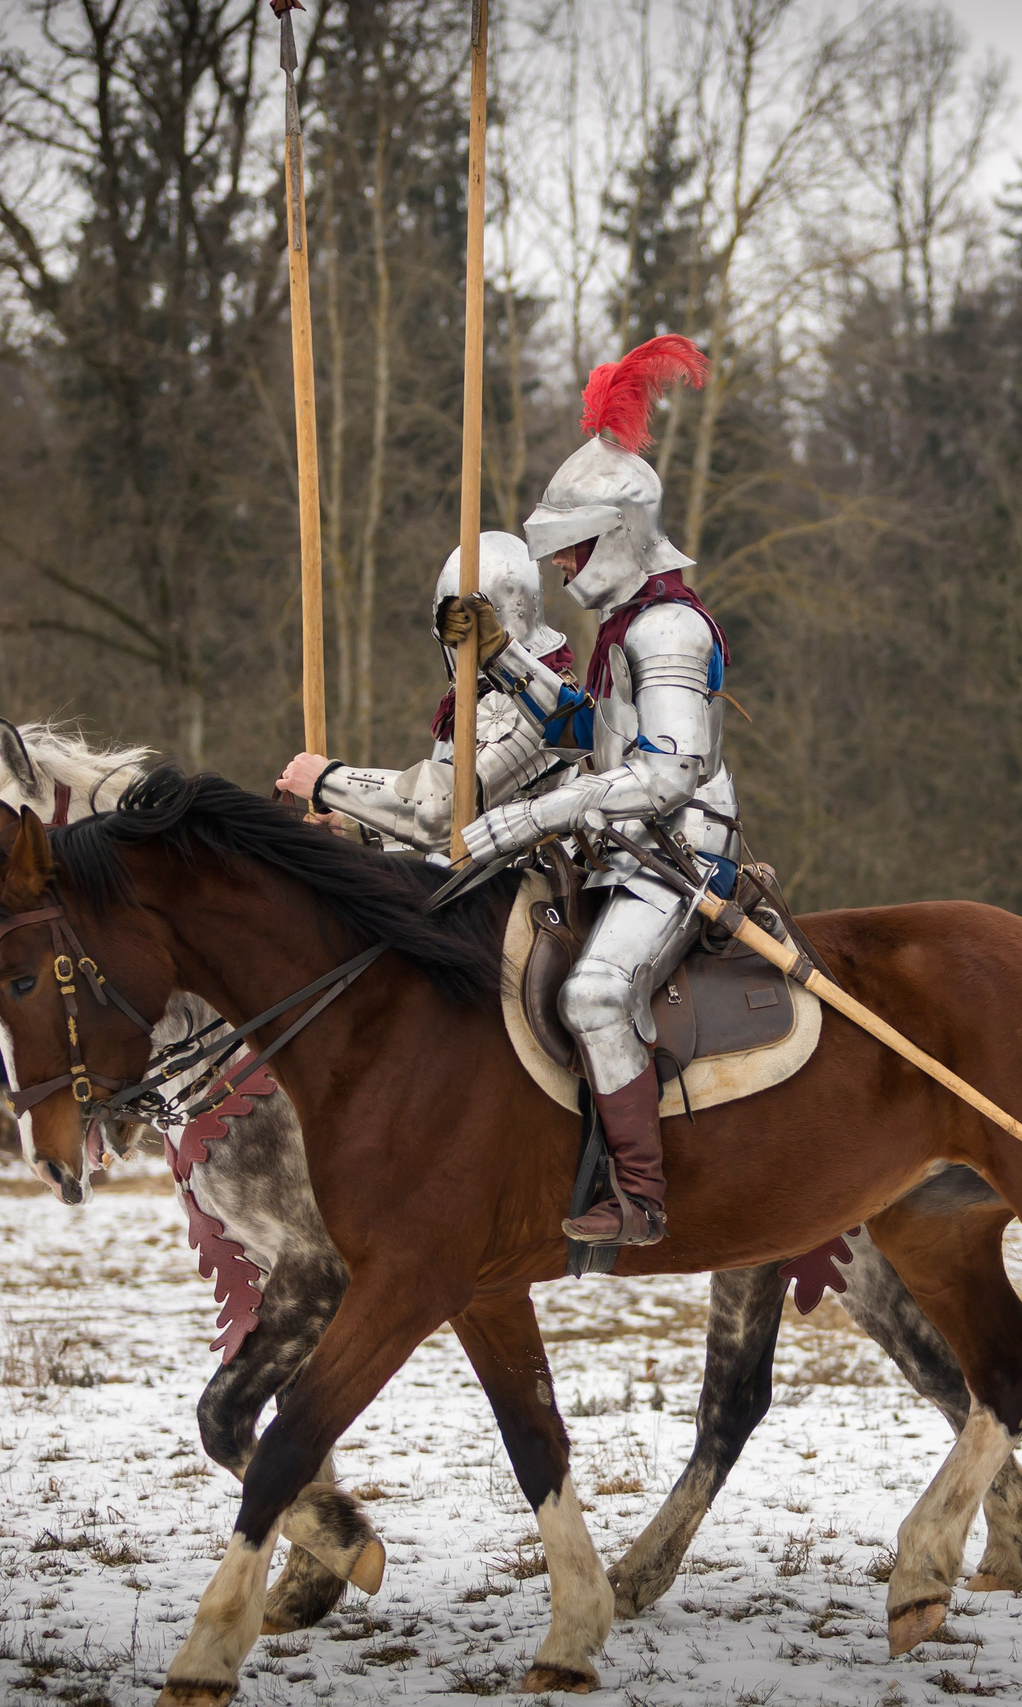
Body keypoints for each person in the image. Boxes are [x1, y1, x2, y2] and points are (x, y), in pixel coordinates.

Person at [458, 333, 730, 1248]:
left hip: (681, 851)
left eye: (573, 551)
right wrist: (498, 658)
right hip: (621, 844)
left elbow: (667, 772)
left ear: (617, 534)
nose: (565, 571)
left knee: (597, 995)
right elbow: (588, 729)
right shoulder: (626, 627)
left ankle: (643, 1198)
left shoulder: (668, 635)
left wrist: (530, 815)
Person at [275, 531, 592, 850]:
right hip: (477, 880)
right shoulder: (477, 701)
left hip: (529, 881)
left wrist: (328, 780)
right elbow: (465, 827)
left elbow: (448, 807)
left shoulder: (534, 701)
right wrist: (356, 826)